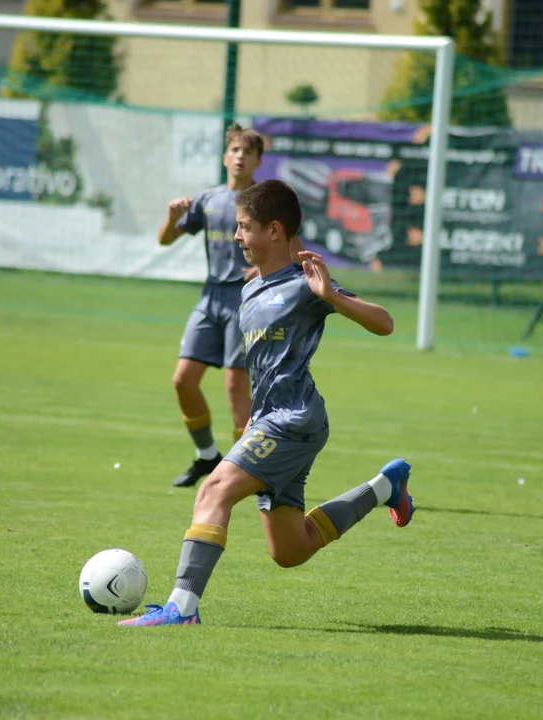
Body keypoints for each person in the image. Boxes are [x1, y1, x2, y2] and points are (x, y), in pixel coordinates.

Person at [120, 179, 414, 627]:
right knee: (291, 550)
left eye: (244, 227)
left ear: (275, 230)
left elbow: (385, 322)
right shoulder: (250, 286)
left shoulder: (305, 283)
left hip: (291, 419)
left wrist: (331, 297)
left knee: (213, 490)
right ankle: (385, 487)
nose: (236, 236)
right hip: (276, 421)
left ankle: (182, 608)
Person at [158, 123, 264, 489]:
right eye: (235, 150)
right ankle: (207, 457)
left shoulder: (264, 202)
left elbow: (292, 247)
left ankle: (244, 473)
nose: (240, 157)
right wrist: (173, 218)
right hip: (209, 298)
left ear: (258, 161)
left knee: (237, 387)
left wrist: (264, 269)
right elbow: (165, 240)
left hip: (244, 300)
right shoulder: (209, 199)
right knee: (183, 381)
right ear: (225, 157)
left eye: (247, 153)